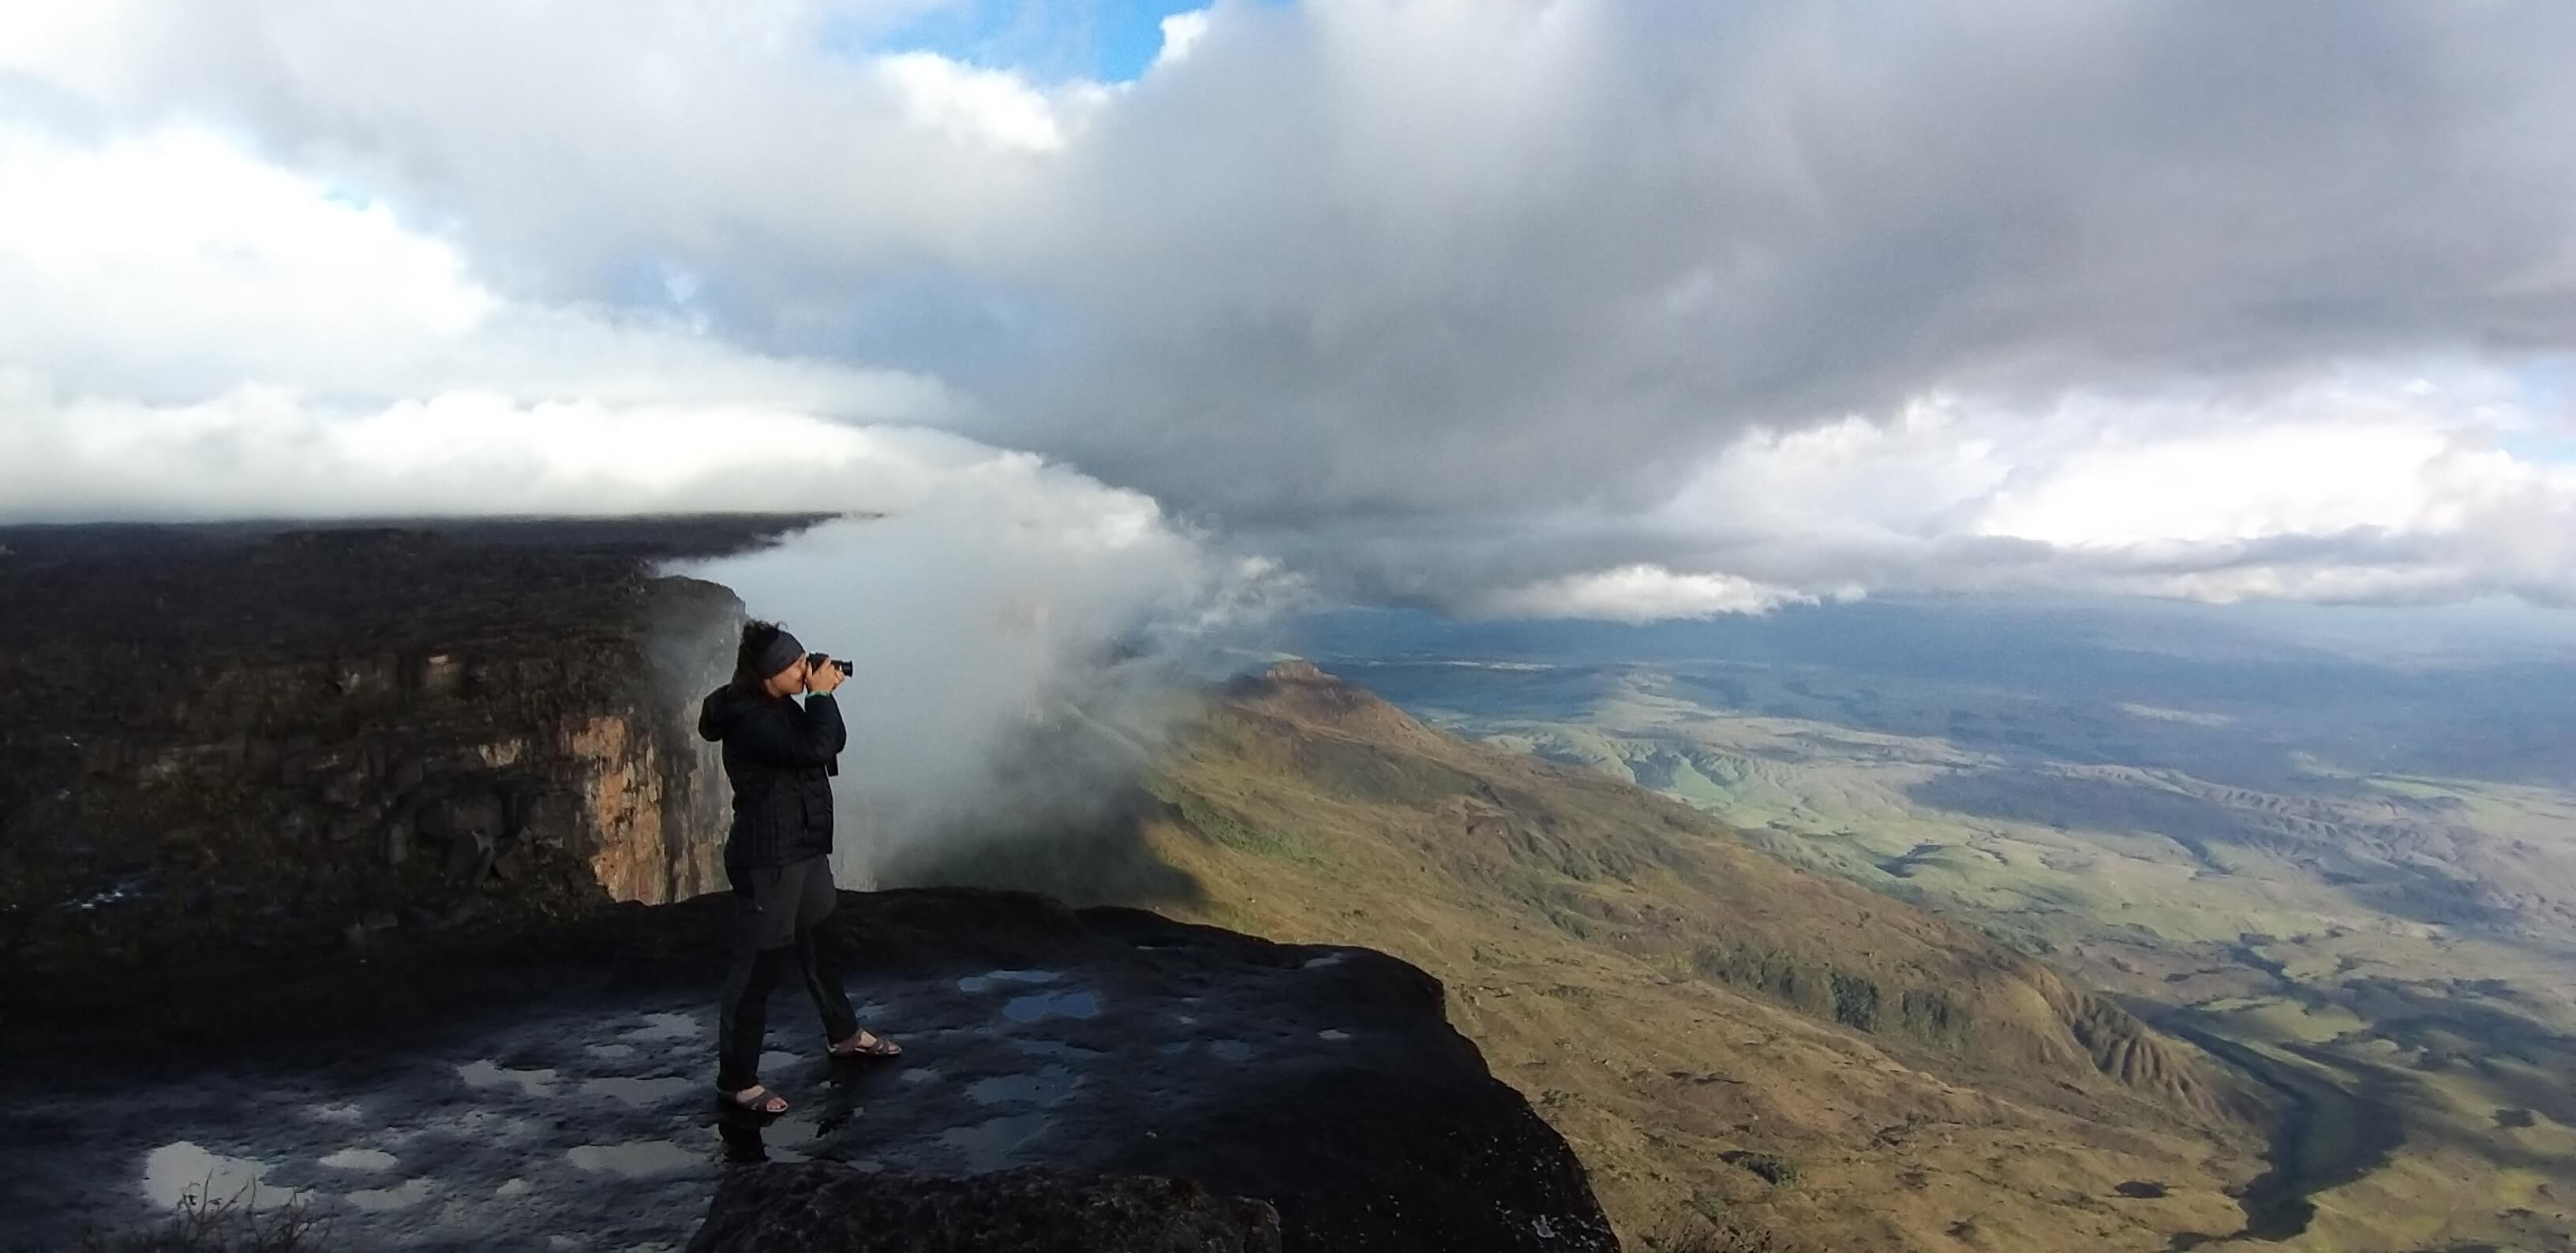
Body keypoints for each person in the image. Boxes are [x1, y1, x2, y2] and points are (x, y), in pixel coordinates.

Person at [697, 619, 901, 1116]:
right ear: (768, 675)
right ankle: (737, 1082)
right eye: (794, 665)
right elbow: (815, 747)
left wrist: (819, 696)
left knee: (822, 946)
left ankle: (844, 1035)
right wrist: (821, 696)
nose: (803, 669)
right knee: (759, 971)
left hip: (804, 849)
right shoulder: (751, 718)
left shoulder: (779, 703)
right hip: (768, 859)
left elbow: (832, 742)